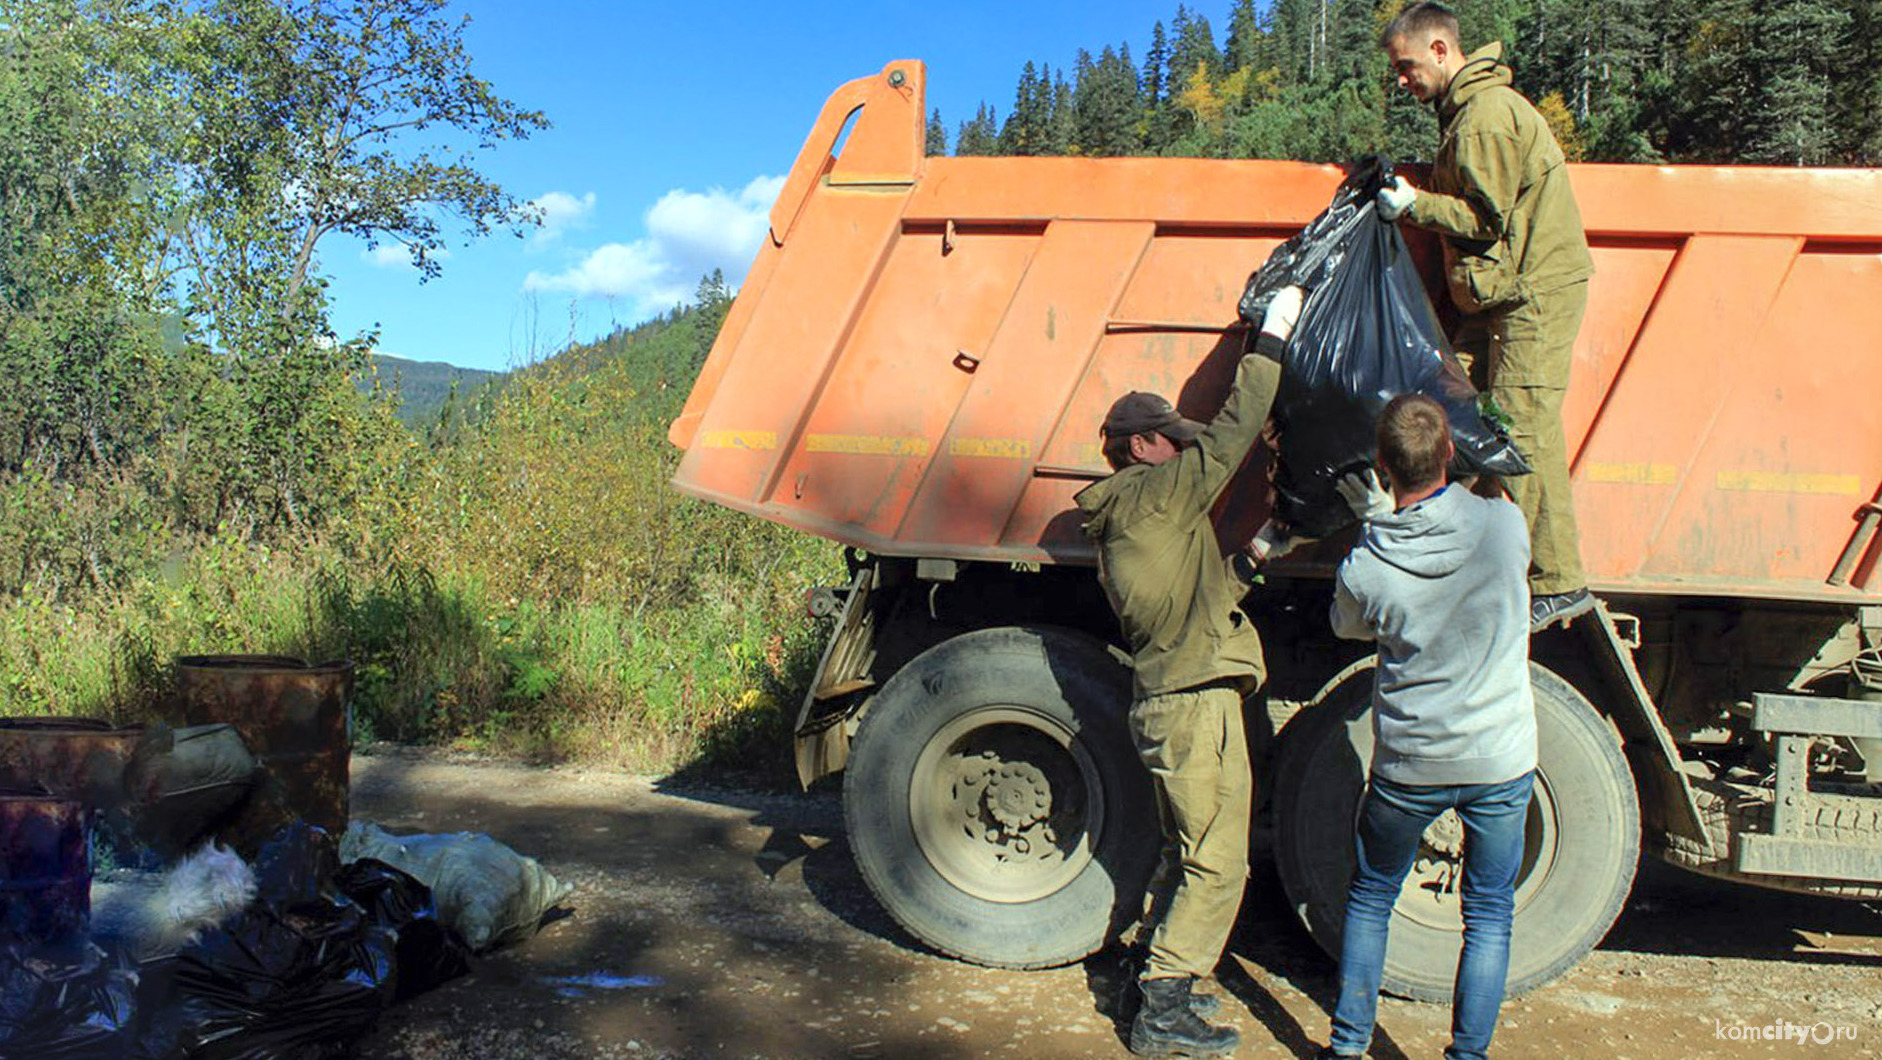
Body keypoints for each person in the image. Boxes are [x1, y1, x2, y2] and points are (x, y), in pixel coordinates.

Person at [1075, 285, 1306, 1059]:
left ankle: (1149, 979)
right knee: (1215, 864)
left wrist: (1260, 549)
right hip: (1188, 707)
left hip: (1187, 697)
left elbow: (1197, 599)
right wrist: (1272, 338)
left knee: (1195, 853)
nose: (1182, 449)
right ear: (1142, 447)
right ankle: (1162, 1015)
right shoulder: (1150, 495)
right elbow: (1233, 435)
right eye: (1171, 439)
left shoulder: (1146, 521)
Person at [1315, 393, 1537, 1060]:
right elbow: (1493, 500)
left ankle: (1348, 1047)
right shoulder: (1503, 529)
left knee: (1372, 897)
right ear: (1449, 453)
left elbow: (1345, 625)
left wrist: (1375, 529)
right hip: (1500, 759)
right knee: (1489, 914)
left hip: (1411, 765)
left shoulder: (1370, 563)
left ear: (1381, 468)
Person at [1374, 1, 1596, 631]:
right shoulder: (1468, 115)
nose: (1402, 80)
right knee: (1467, 408)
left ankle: (1542, 580)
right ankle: (1520, 565)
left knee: (1519, 429)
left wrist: (1413, 205)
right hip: (1504, 294)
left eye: (1407, 66)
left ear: (1441, 51)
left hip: (1531, 294)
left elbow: (1483, 218)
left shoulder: (1483, 120)